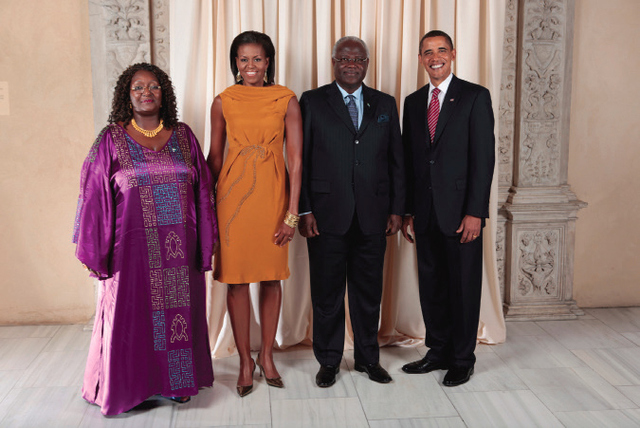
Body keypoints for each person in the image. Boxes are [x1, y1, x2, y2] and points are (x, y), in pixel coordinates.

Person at [73, 63, 218, 415]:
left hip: (179, 252)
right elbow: (93, 195)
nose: (146, 92)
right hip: (130, 253)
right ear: (127, 94)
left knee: (177, 316)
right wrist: (98, 252)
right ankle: (130, 388)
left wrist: (206, 244)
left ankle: (176, 383)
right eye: (138, 87)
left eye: (154, 86)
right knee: (131, 319)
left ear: (163, 93)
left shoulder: (183, 136)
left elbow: (202, 190)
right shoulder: (111, 139)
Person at [298, 36, 405, 388]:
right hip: (325, 215)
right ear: (333, 61)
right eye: (344, 58)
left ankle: (367, 359)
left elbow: (396, 162)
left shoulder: (385, 103)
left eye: (358, 59)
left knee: (368, 292)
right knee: (327, 293)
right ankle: (328, 360)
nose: (351, 64)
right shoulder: (313, 102)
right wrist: (305, 209)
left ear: (367, 63)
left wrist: (396, 209)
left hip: (374, 215)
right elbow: (300, 159)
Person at [207, 31, 303, 397]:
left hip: (273, 198)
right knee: (236, 279)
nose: (250, 66)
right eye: (243, 59)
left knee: (271, 277)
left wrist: (291, 213)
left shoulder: (286, 99)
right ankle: (246, 361)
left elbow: (295, 160)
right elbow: (215, 158)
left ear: (268, 62)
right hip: (233, 199)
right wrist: (199, 201)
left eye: (258, 59)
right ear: (235, 63)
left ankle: (267, 355)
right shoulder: (223, 101)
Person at [401, 30, 495, 386]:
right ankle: (437, 350)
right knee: (432, 286)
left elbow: (483, 159)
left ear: (452, 54)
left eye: (441, 50)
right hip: (425, 213)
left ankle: (461, 358)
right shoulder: (412, 103)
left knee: (463, 287)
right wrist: (408, 209)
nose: (434, 57)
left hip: (461, 214)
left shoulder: (474, 97)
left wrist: (476, 212)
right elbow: (411, 161)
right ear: (421, 58)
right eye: (428, 51)